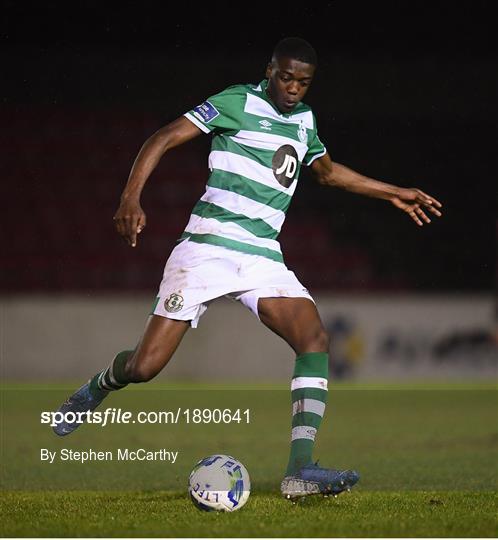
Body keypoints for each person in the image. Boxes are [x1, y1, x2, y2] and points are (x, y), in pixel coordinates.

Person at [53, 37, 443, 499]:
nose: (294, 88)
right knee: (145, 366)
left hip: (261, 254)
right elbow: (162, 137)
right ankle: (99, 386)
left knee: (313, 337)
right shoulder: (237, 101)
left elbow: (327, 173)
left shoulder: (304, 121)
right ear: (270, 70)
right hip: (206, 249)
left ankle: (301, 470)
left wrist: (392, 192)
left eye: (303, 81)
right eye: (286, 77)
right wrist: (129, 197)